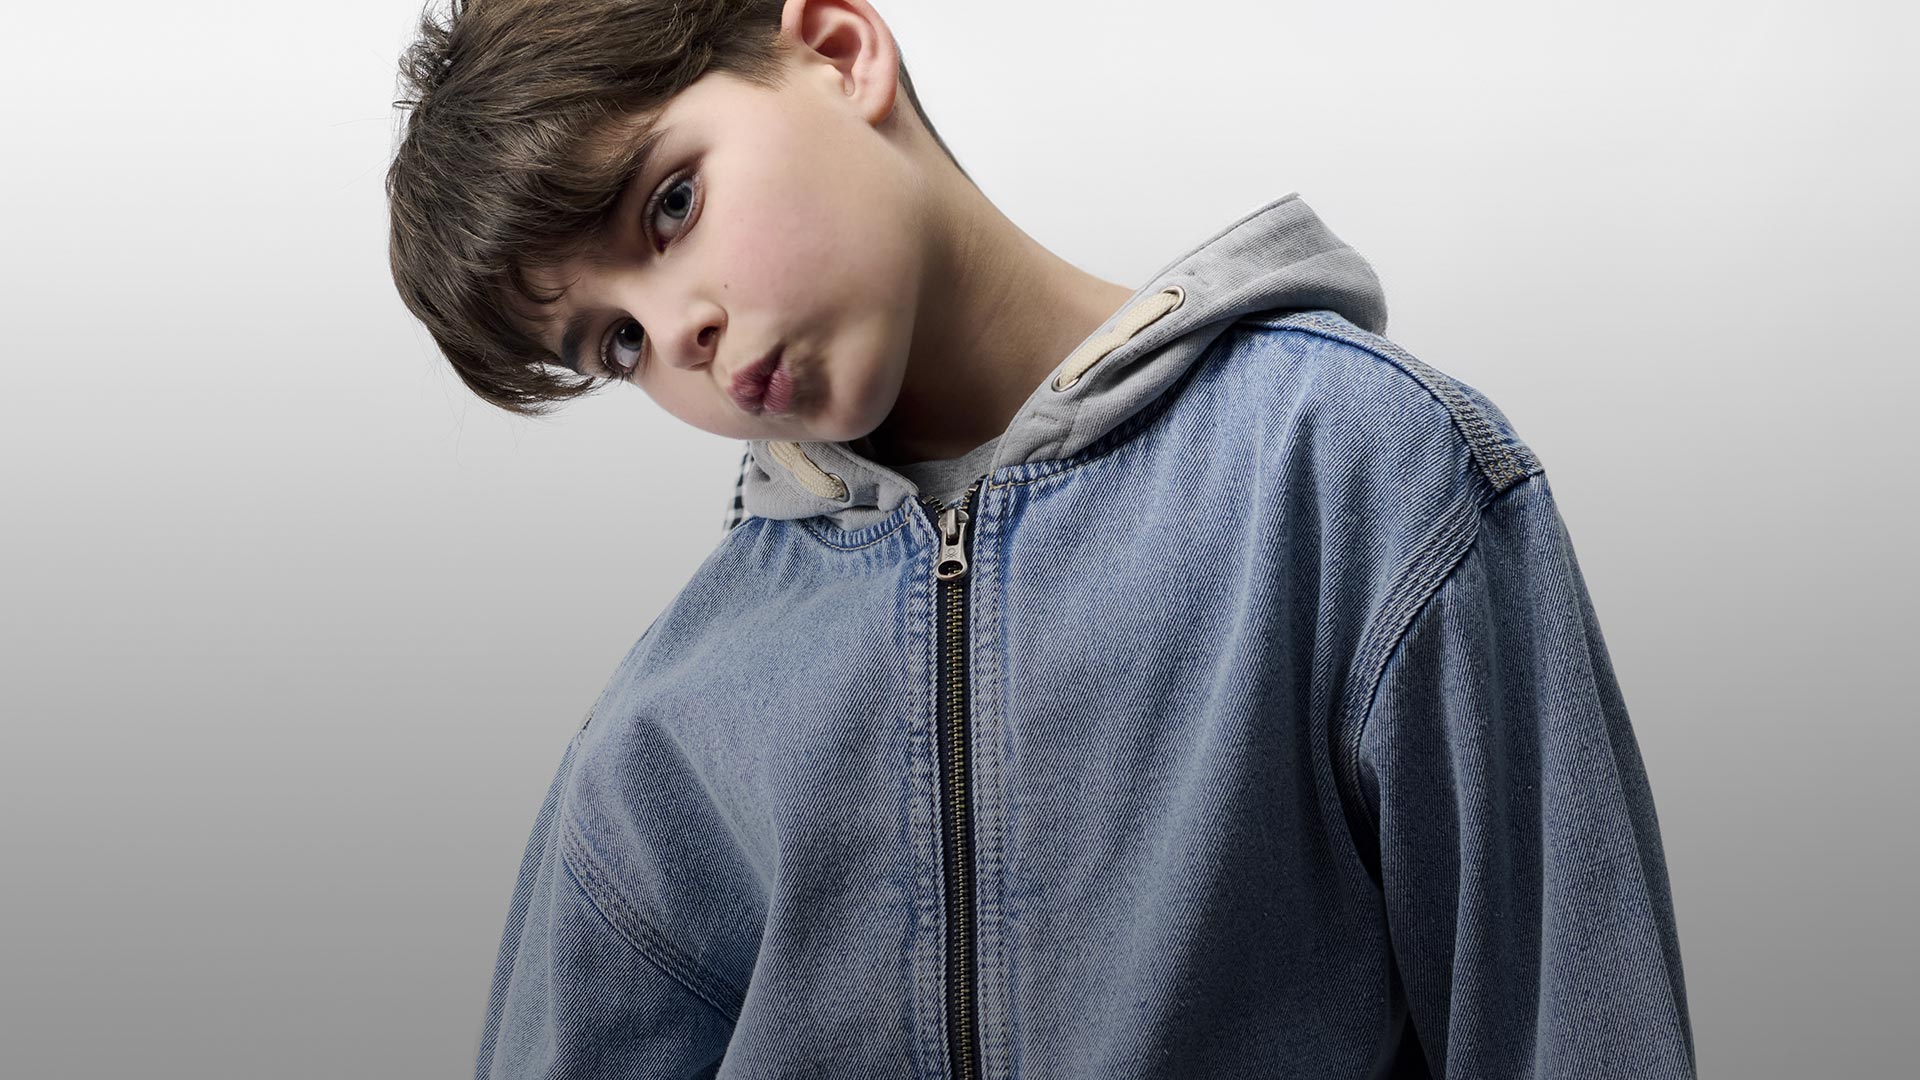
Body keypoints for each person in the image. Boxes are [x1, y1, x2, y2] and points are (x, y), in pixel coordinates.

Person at [385, 0, 1697, 1076]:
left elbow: (1574, 1030)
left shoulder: (1344, 471)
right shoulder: (669, 729)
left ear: (839, 52)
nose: (679, 333)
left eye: (670, 205)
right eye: (615, 343)